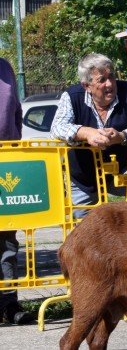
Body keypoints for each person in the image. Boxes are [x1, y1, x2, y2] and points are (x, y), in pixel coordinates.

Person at [50, 53, 127, 217]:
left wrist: (122, 136)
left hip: (125, 172)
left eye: (112, 77)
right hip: (83, 177)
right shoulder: (72, 96)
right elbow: (56, 128)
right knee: (81, 228)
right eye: (102, 80)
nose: (110, 84)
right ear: (86, 86)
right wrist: (85, 133)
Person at [0, 58, 33, 325]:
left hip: (5, 163)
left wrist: (13, 148)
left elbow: (16, 114)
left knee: (8, 242)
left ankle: (10, 303)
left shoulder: (5, 68)